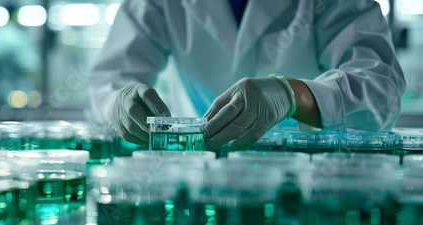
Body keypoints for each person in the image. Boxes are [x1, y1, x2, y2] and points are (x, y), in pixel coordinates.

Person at [86, 0, 406, 150]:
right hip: (197, 171)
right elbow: (109, 80)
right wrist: (118, 100)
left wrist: (293, 95)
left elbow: (380, 88)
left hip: (307, 176)